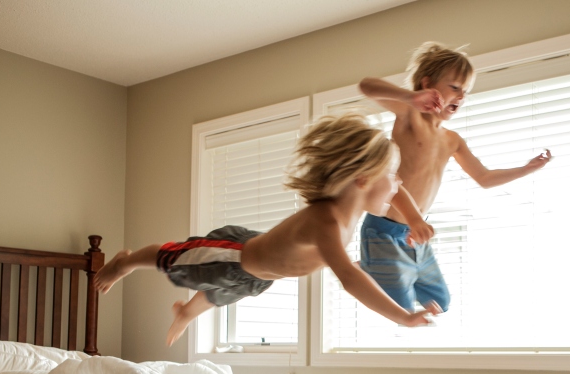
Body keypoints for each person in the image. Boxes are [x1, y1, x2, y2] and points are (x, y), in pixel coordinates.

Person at [94, 114, 441, 346]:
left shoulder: (350, 221)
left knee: (224, 291)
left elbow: (348, 266)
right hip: (233, 252)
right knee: (174, 258)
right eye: (393, 175)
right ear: (363, 178)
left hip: (259, 275)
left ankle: (186, 311)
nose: (399, 184)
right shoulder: (328, 220)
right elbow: (349, 280)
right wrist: (404, 317)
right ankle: (127, 261)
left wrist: (413, 223)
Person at [358, 42, 552, 313]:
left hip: (416, 232)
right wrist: (410, 97)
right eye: (455, 87)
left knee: (439, 301)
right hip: (385, 229)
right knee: (398, 306)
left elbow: (484, 177)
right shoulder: (410, 116)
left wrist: (526, 169)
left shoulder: (452, 140)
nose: (461, 96)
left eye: (466, 91)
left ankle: (377, 270)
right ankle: (366, 272)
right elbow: (367, 86)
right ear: (428, 85)